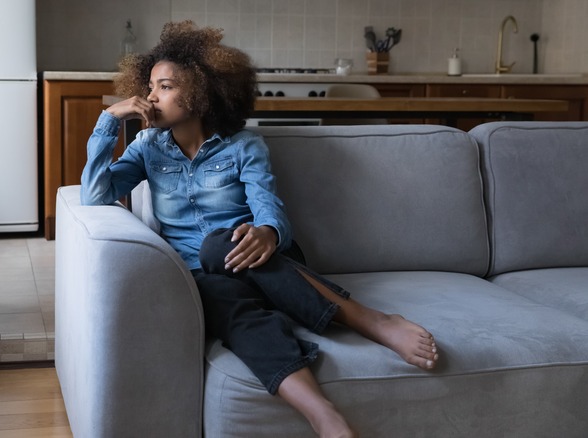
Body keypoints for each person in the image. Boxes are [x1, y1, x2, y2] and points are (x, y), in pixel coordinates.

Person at [80, 20, 439, 438]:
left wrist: (268, 232)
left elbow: (270, 208)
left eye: (166, 87)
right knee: (221, 294)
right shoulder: (147, 149)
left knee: (218, 248)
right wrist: (108, 119)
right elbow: (95, 196)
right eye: (151, 86)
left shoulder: (243, 146)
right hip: (207, 277)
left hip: (268, 261)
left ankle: (371, 320)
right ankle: (324, 416)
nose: (150, 97)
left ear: (200, 91)